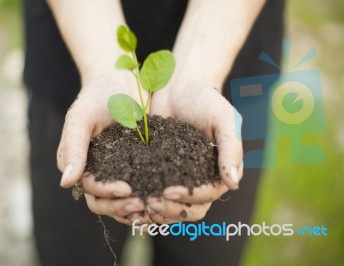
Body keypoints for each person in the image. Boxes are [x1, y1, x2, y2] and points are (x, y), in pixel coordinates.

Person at [23, 0, 284, 265]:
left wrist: (199, 69)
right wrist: (103, 66)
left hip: (228, 47)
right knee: (74, 253)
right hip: (77, 42)